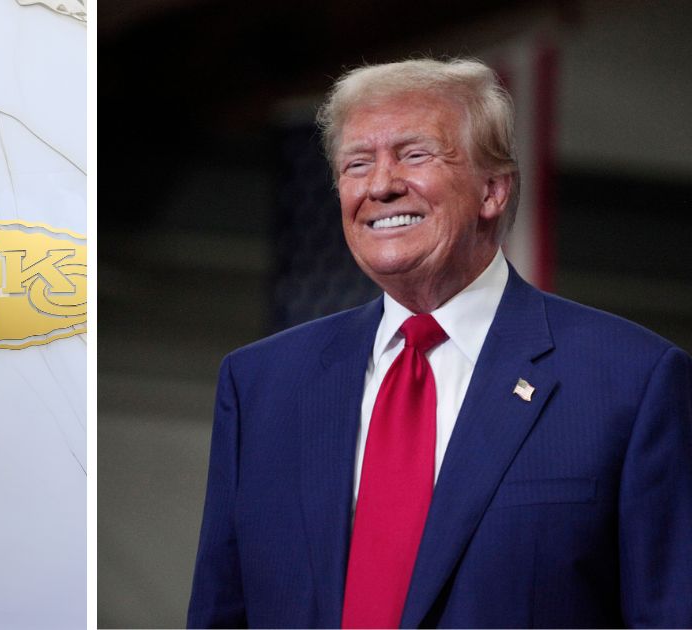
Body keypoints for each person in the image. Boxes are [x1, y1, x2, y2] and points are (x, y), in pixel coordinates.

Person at [188, 58, 692, 628]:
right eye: (357, 163)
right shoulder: (260, 385)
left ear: (493, 191)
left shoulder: (631, 381)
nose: (380, 185)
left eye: (414, 154)